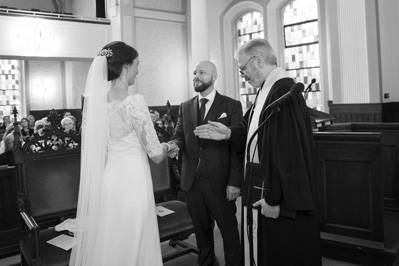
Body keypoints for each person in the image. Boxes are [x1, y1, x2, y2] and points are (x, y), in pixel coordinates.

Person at [194, 38, 321, 266]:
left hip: (277, 199)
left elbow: (288, 154)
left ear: (259, 61)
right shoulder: (267, 89)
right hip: (261, 185)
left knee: (283, 252)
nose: (243, 75)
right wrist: (229, 133)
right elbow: (249, 127)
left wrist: (275, 200)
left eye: (243, 69)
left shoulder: (282, 92)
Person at [70, 41, 170, 266]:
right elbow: (155, 154)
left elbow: (100, 151)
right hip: (133, 181)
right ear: (126, 66)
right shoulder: (134, 102)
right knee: (134, 240)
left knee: (113, 240)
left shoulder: (96, 104)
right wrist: (168, 146)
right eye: (136, 64)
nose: (138, 70)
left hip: (111, 180)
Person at [168, 61, 243, 266]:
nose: (196, 76)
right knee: (202, 233)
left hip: (220, 181)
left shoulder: (231, 105)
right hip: (191, 181)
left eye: (202, 72)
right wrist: (173, 145)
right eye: (194, 73)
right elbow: (180, 136)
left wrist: (234, 182)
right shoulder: (185, 106)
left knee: (228, 232)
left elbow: (237, 146)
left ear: (214, 76)